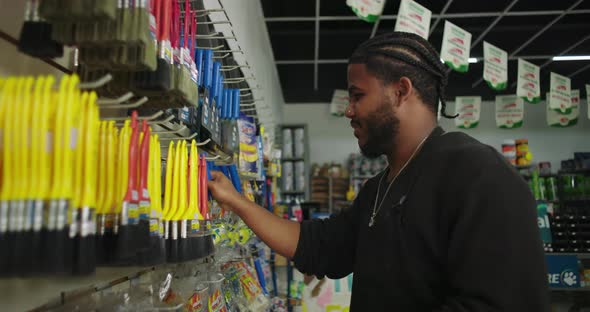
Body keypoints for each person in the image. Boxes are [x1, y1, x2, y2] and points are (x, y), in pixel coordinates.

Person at [208, 32, 549, 311]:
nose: (349, 111)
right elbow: (320, 246)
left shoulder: (479, 176)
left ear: (401, 91)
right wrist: (236, 201)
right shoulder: (379, 190)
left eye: (358, 96)